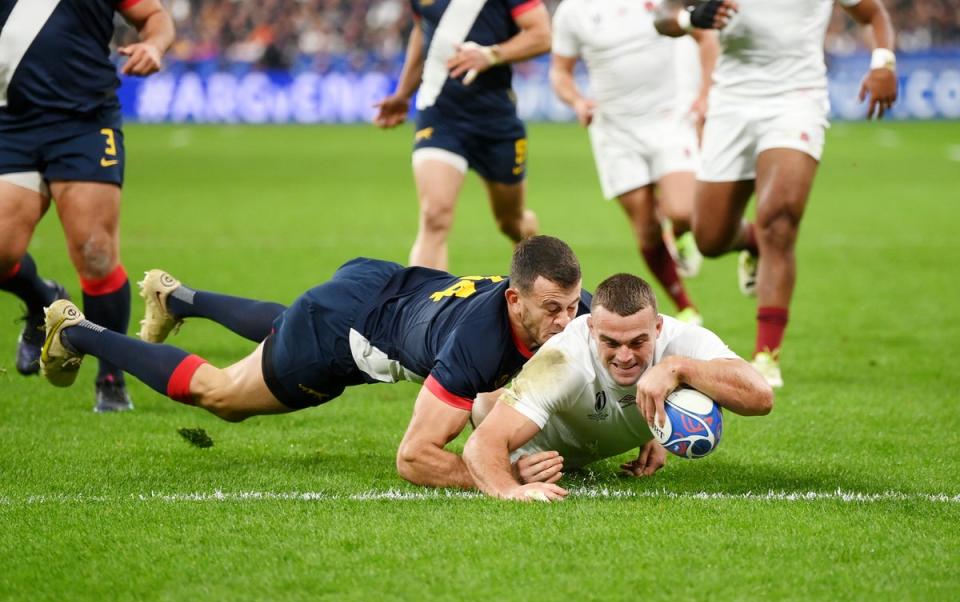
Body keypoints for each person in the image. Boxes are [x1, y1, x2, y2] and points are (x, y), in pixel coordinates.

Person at [41, 236, 591, 488]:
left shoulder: (572, 310)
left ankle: (178, 299)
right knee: (223, 395)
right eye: (551, 310)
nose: (566, 322)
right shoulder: (478, 343)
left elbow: (625, 343)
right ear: (514, 299)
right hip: (342, 333)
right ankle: (80, 331)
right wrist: (499, 476)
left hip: (380, 284)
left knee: (288, 326)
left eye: (572, 306)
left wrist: (639, 425)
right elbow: (415, 458)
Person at [654, 0, 898, 388]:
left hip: (796, 101)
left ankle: (767, 355)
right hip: (731, 105)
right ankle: (751, 241)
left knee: (780, 220)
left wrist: (883, 61)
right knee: (710, 237)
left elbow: (874, 13)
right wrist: (690, 18)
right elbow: (661, 17)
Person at [0, 0, 175, 411]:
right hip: (11, 123)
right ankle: (42, 299)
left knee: (94, 252)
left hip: (84, 121)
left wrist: (154, 46)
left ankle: (110, 377)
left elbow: (155, 17)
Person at [462, 273, 774, 501]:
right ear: (590, 327)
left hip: (591, 440)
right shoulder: (565, 358)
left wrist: (678, 368)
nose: (625, 356)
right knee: (487, 406)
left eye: (638, 342)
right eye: (610, 343)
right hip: (535, 451)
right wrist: (511, 490)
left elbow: (760, 397)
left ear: (658, 326)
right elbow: (482, 444)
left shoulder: (682, 340)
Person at [549, 0, 721, 326]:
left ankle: (682, 232)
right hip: (615, 129)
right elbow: (560, 71)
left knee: (682, 209)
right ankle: (685, 306)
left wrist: (705, 94)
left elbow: (706, 36)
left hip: (670, 116)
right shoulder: (573, 11)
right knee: (646, 229)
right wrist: (577, 100)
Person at [372, 0, 551, 271]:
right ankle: (427, 309)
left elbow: (541, 35)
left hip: (496, 120)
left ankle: (530, 265)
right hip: (440, 115)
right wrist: (403, 94)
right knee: (434, 217)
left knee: (512, 222)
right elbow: (424, 32)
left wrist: (491, 55)